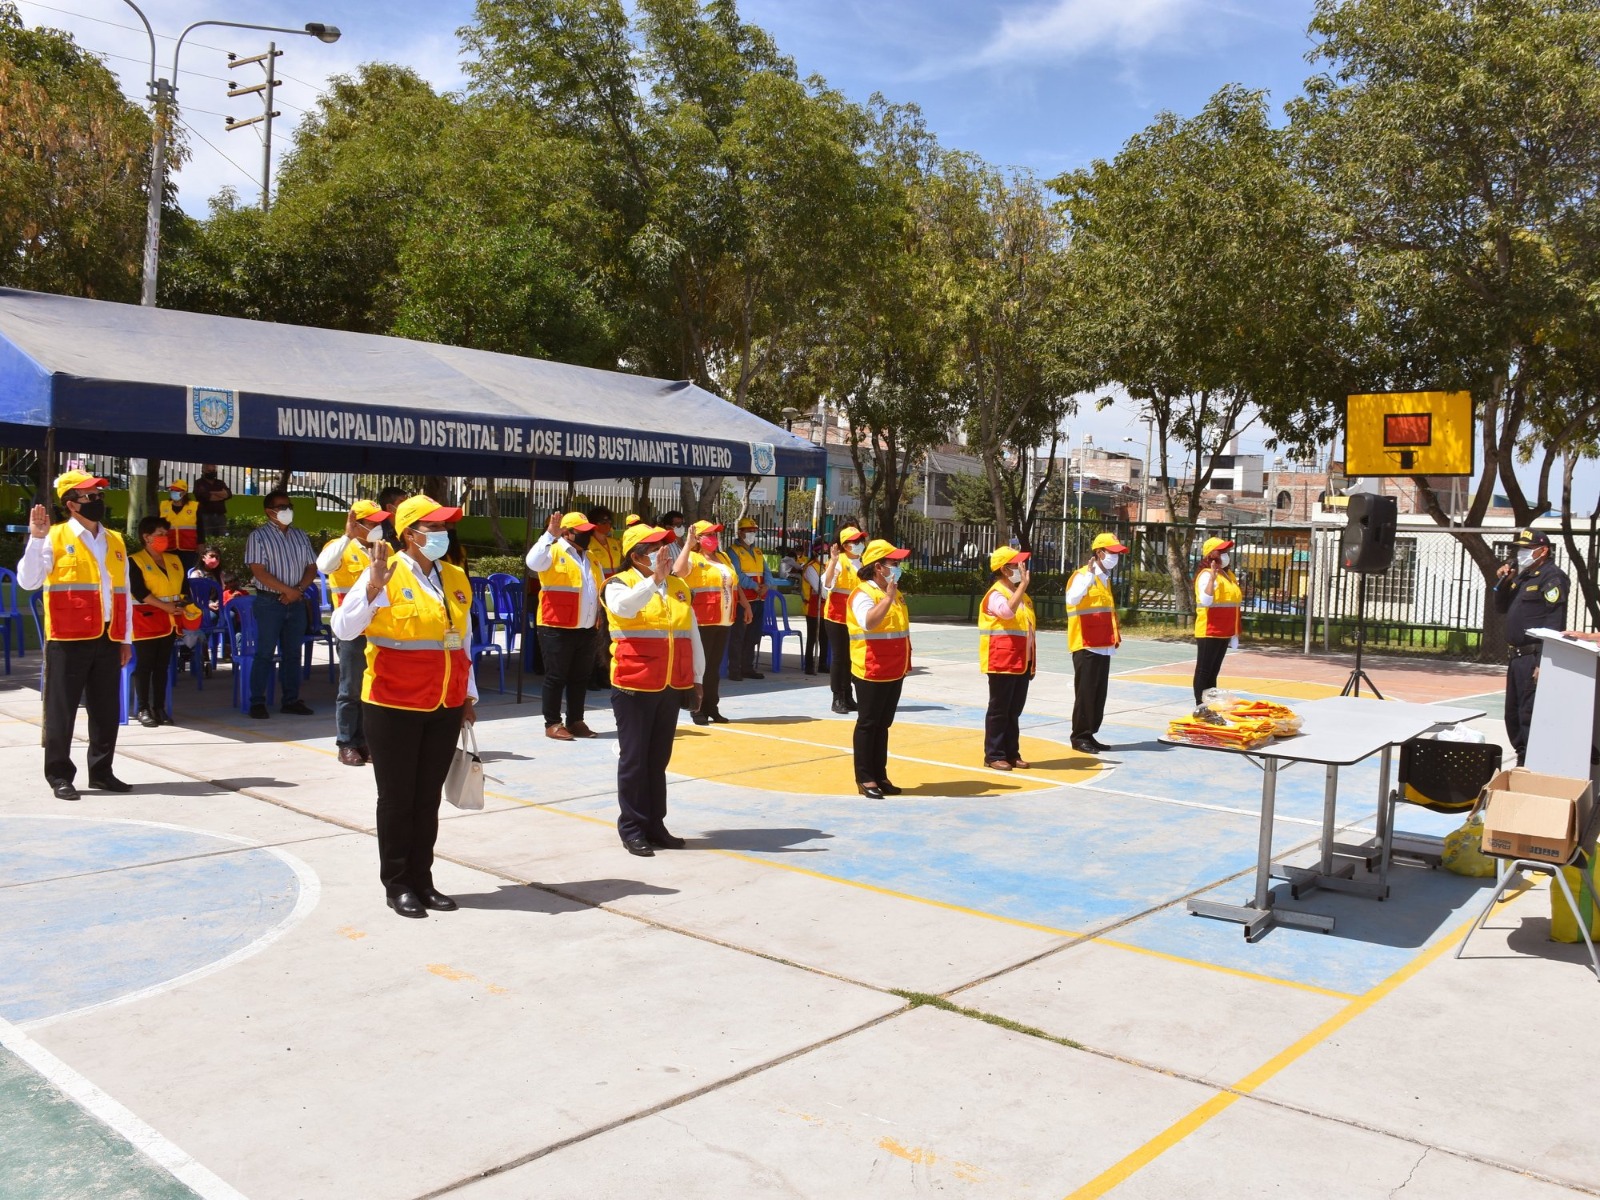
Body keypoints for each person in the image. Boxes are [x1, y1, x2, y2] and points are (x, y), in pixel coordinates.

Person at [330, 495, 476, 919]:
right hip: (393, 702)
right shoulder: (385, 572)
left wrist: (468, 696)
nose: (443, 535)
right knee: (397, 799)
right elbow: (344, 627)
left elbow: (462, 641)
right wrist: (373, 587)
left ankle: (423, 879)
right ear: (410, 534)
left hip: (444, 701)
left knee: (427, 796)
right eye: (434, 528)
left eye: (444, 527)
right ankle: (397, 884)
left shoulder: (454, 577)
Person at [17, 471, 134, 800]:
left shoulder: (115, 541)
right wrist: (36, 538)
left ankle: (101, 771)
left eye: (99, 495)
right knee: (61, 711)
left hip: (108, 637)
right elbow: (28, 581)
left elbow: (122, 594)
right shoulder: (53, 536)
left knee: (106, 710)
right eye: (91, 496)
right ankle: (59, 776)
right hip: (67, 639)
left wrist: (125, 638)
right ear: (71, 504)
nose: (98, 501)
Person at [603, 523, 704, 856]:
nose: (666, 552)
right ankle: (632, 828)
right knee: (634, 760)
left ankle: (655, 825)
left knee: (658, 759)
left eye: (667, 546)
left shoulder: (678, 587)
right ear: (636, 556)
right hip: (634, 684)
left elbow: (691, 634)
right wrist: (655, 580)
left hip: (671, 684)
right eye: (657, 548)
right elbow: (623, 609)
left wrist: (698, 678)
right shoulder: (618, 584)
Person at [317, 499, 392, 766]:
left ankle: (367, 741)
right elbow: (324, 566)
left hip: (380, 628)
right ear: (355, 523)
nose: (377, 526)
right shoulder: (340, 548)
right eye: (371, 522)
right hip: (353, 629)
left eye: (379, 521)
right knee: (350, 688)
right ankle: (347, 742)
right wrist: (347, 536)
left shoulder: (385, 548)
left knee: (374, 688)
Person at [526, 510, 604, 740]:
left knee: (580, 677)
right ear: (567, 533)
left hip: (587, 627)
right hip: (556, 625)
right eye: (583, 531)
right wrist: (549, 535)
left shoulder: (591, 558)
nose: (588, 535)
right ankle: (552, 723)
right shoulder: (552, 550)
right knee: (556, 676)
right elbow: (533, 561)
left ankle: (576, 720)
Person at [1494, 528, 1568, 766]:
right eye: (1520, 549)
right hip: (1516, 657)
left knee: (1528, 712)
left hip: (1533, 655)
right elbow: (1501, 606)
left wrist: (1543, 661)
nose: (1522, 553)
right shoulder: (1522, 577)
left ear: (1543, 550)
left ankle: (1529, 763)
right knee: (1512, 712)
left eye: (1527, 548)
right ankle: (1521, 755)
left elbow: (1554, 620)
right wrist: (1505, 580)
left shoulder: (1551, 577)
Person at [243, 490, 318, 720]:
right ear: (269, 511)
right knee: (264, 653)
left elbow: (311, 567)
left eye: (289, 506)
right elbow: (258, 572)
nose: (287, 510)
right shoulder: (258, 537)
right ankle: (257, 702)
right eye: (282, 507)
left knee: (293, 654)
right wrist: (289, 591)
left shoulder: (300, 535)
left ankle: (291, 700)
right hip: (270, 602)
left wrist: (298, 591)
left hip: (295, 602)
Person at [848, 538, 912, 798]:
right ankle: (865, 778)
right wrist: (886, 599)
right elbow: (869, 623)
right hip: (870, 668)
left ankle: (880, 775)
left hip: (894, 668)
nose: (898, 566)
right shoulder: (863, 593)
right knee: (868, 723)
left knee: (883, 724)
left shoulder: (895, 593)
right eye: (893, 562)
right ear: (878, 567)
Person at [676, 519, 748, 724]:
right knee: (701, 668)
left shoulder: (724, 557)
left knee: (714, 668)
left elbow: (734, 583)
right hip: (701, 621)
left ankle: (712, 707)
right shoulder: (691, 557)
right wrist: (688, 545)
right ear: (698, 538)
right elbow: (678, 571)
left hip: (723, 620)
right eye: (708, 535)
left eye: (715, 534)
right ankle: (697, 709)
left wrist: (745, 604)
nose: (713, 538)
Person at [1065, 532, 1128, 754]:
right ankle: (1079, 736)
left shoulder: (1105, 578)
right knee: (1085, 693)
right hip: (1086, 643)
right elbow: (1071, 599)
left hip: (1103, 644)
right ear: (1099, 553)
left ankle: (1090, 734)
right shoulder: (1083, 575)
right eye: (1112, 552)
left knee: (1098, 693)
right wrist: (1089, 577)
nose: (1116, 557)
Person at [128, 515, 194, 727]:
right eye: (160, 535)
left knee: (162, 666)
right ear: (146, 537)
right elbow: (139, 591)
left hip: (170, 621)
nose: (165, 538)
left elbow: (184, 588)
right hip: (145, 620)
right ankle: (142, 708)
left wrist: (183, 604)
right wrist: (164, 606)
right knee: (145, 665)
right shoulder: (135, 560)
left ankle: (159, 707)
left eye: (166, 534)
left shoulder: (174, 560)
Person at [980, 546, 1036, 771]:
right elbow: (1006, 613)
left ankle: (1012, 753)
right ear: (1004, 569)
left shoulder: (1020, 595)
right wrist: (1022, 585)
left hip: (1021, 660)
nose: (1021, 568)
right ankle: (994, 754)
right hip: (1002, 660)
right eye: (1016, 565)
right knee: (999, 709)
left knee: (1014, 710)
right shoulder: (996, 593)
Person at [822, 525, 868, 713]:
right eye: (855, 542)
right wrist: (832, 562)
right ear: (845, 544)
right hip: (837, 616)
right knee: (840, 658)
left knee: (852, 658)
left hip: (855, 618)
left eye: (860, 541)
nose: (859, 544)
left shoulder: (864, 562)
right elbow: (827, 583)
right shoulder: (839, 560)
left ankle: (848, 696)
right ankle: (837, 697)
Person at [1192, 536, 1241, 705]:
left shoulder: (1229, 575)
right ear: (1210, 555)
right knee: (1204, 670)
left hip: (1224, 631)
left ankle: (1210, 705)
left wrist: (1234, 633)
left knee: (1214, 671)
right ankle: (1201, 706)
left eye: (1227, 551)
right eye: (1222, 551)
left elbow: (1232, 604)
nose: (1226, 555)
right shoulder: (1206, 575)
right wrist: (1212, 578)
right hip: (1209, 629)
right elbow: (1206, 601)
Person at [727, 517, 773, 680]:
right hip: (743, 600)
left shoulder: (758, 551)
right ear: (740, 532)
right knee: (739, 636)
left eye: (754, 531)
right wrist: (754, 587)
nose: (752, 534)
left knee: (753, 636)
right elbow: (737, 574)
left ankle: (748, 667)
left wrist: (766, 585)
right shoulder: (732, 551)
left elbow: (766, 571)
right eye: (748, 531)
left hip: (759, 599)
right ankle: (735, 669)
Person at [158, 480, 201, 571]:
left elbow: (200, 527)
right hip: (168, 548)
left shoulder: (194, 506)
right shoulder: (163, 506)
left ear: (184, 492)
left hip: (189, 549)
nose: (173, 493)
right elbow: (157, 527)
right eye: (172, 490)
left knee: (186, 575)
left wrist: (201, 543)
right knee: (171, 573)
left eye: (177, 491)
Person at [800, 540, 826, 676]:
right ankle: (809, 665)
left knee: (824, 637)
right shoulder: (811, 568)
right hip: (812, 606)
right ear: (816, 552)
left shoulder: (826, 566)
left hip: (825, 606)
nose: (825, 554)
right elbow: (819, 588)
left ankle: (822, 663)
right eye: (823, 552)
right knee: (812, 637)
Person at [193, 464, 232, 542]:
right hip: (205, 516)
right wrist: (221, 495)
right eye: (209, 471)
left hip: (220, 516)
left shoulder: (220, 482)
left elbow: (228, 494)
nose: (211, 472)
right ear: (203, 470)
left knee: (222, 540)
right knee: (206, 539)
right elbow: (206, 497)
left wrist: (211, 492)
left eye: (213, 471)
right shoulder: (199, 483)